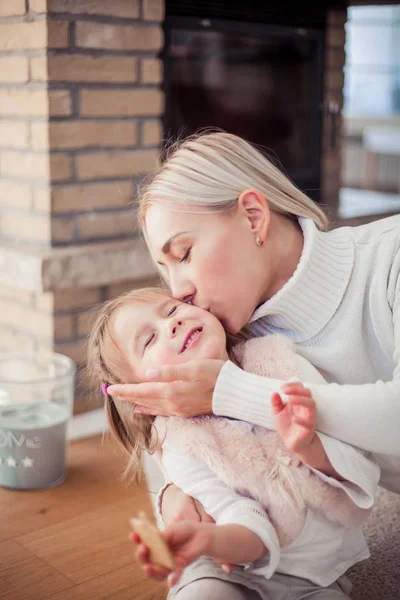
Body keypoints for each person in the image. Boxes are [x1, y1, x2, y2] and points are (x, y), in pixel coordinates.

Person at [106, 131, 400, 529]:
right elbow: (174, 432)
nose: (178, 292)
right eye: (167, 270)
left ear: (252, 216)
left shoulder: (390, 258)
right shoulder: (235, 334)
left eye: (185, 254)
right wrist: (175, 492)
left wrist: (230, 393)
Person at [87, 287, 379, 600]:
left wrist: (310, 447)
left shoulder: (282, 366)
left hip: (314, 577)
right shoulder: (182, 442)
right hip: (225, 564)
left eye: (173, 309)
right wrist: (209, 540)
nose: (170, 325)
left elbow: (358, 468)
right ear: (141, 393)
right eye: (149, 340)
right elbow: (241, 517)